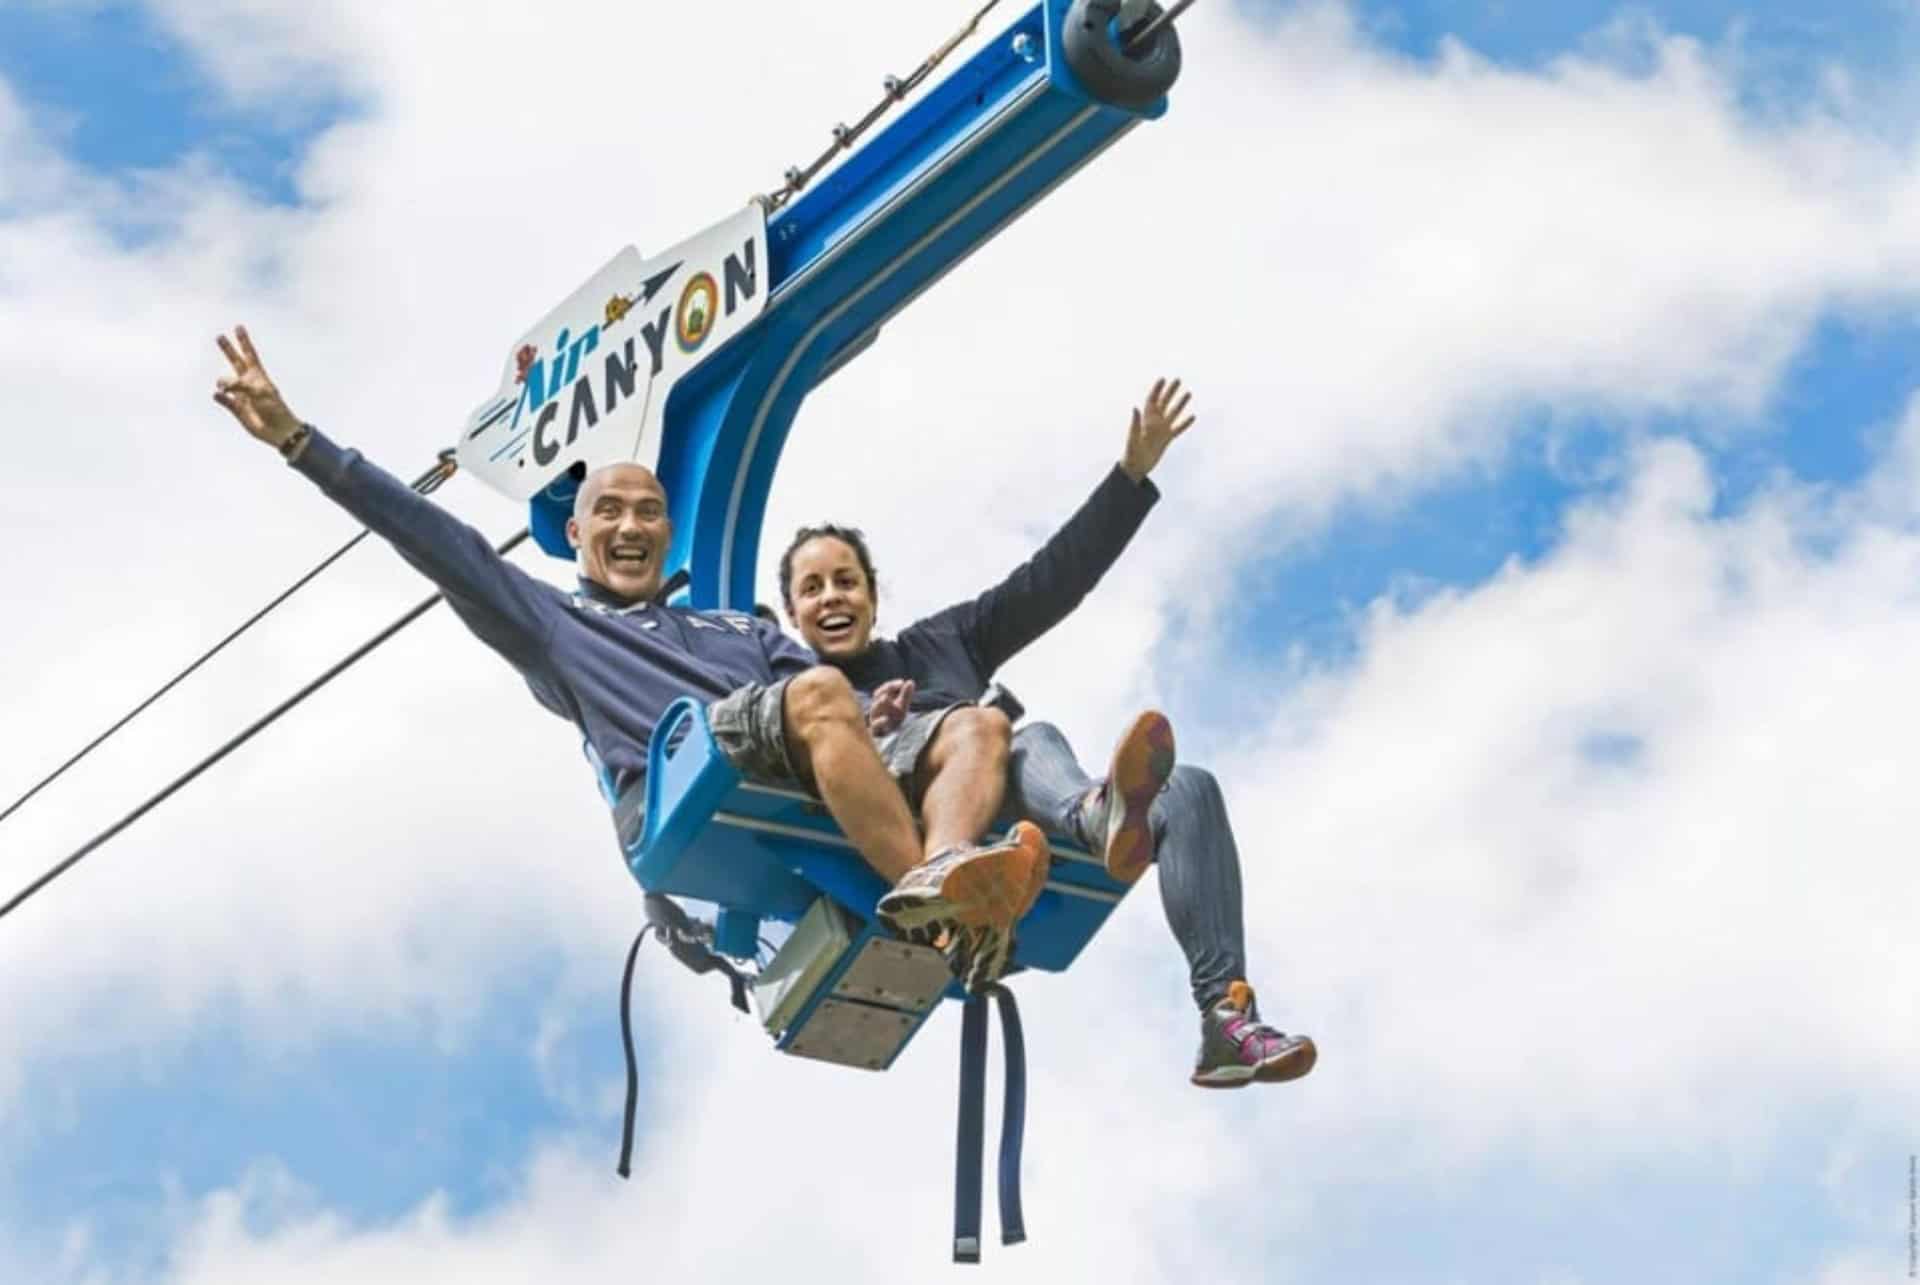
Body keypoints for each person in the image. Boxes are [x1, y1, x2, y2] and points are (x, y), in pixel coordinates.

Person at [207, 326, 1046, 959]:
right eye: (609, 512)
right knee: (823, 696)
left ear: (668, 531)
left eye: (647, 511)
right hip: (686, 774)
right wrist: (301, 444)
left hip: (793, 748)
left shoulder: (738, 627)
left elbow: (840, 712)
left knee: (975, 724)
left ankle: (949, 876)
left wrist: (881, 708)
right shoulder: (556, 625)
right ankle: (925, 893)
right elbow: (432, 538)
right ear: (576, 534)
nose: (630, 525)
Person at [778, 378, 1317, 1087]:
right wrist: (877, 726)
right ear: (791, 614)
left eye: (845, 582)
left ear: (873, 595)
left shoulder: (944, 642)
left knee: (1190, 790)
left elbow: (1049, 583)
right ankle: (1096, 814)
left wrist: (1129, 479)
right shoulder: (806, 697)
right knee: (1021, 734)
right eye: (812, 589)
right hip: (936, 838)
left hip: (1028, 833)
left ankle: (1224, 1015)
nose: (832, 598)